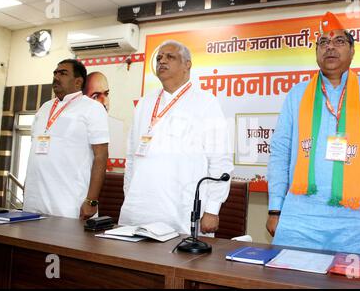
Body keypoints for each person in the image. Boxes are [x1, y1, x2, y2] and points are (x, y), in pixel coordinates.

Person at [266, 12, 360, 257]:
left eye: (339, 42)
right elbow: (280, 153)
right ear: (316, 52)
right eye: (323, 43)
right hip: (300, 219)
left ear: (352, 51)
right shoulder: (297, 95)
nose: (330, 47)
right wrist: (275, 209)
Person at [119, 40, 233, 235]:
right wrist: (129, 195)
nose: (162, 61)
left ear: (187, 64)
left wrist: (212, 209)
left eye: (169, 57)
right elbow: (131, 157)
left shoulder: (206, 102)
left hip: (181, 212)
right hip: (138, 209)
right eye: (159, 58)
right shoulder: (145, 103)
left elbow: (220, 160)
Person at [24, 59, 109, 220]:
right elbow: (34, 151)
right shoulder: (44, 108)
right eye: (55, 73)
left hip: (67, 203)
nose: (56, 77)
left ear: (78, 81)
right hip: (34, 200)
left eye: (63, 73)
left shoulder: (93, 108)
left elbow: (101, 156)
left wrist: (91, 201)